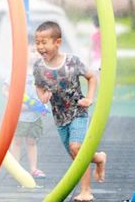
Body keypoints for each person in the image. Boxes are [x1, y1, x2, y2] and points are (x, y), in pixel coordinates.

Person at [33, 21, 105, 202]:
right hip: (60, 117)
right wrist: (43, 97)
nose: (40, 47)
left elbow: (91, 77)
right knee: (76, 154)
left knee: (76, 148)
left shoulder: (72, 62)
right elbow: (39, 87)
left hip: (78, 111)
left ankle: (86, 191)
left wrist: (89, 98)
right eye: (37, 42)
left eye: (44, 42)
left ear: (57, 42)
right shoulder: (39, 68)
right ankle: (98, 158)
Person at [3, 71, 47, 179]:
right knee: (17, 141)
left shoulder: (40, 72)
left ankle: (33, 168)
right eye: (32, 52)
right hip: (19, 116)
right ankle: (16, 168)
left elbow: (45, 92)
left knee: (32, 142)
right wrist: (14, 100)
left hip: (34, 116)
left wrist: (44, 106)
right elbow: (5, 89)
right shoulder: (18, 70)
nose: (36, 54)